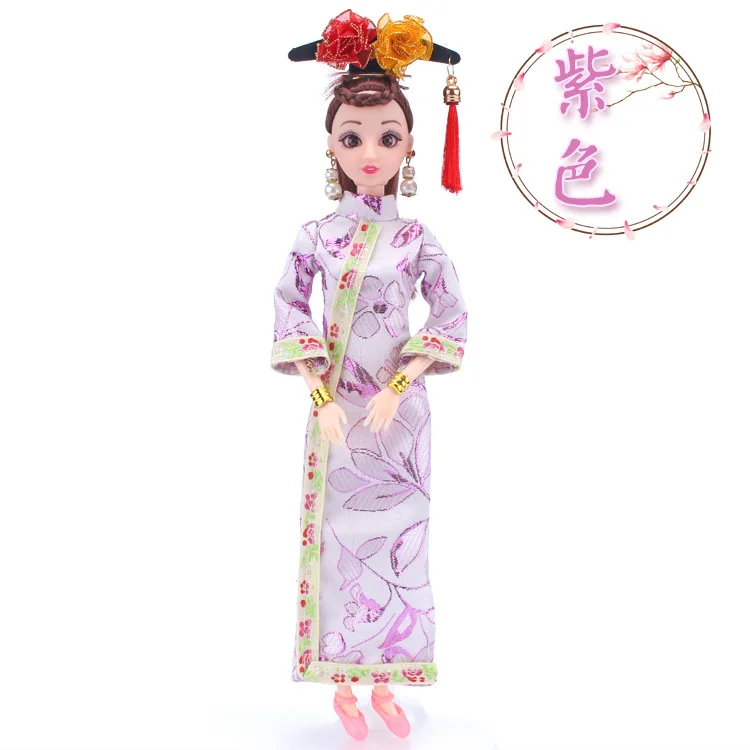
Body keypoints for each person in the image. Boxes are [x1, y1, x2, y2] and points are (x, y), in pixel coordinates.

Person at [271, 10, 467, 740]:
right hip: (337, 418)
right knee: (338, 547)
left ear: (410, 144)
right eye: (353, 138)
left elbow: (450, 312)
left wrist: (400, 385)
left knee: (403, 546)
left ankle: (389, 679)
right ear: (332, 146)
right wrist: (321, 395)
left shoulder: (417, 238)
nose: (371, 151)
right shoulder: (316, 236)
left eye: (388, 136)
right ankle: (342, 682)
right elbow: (291, 309)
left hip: (400, 420)